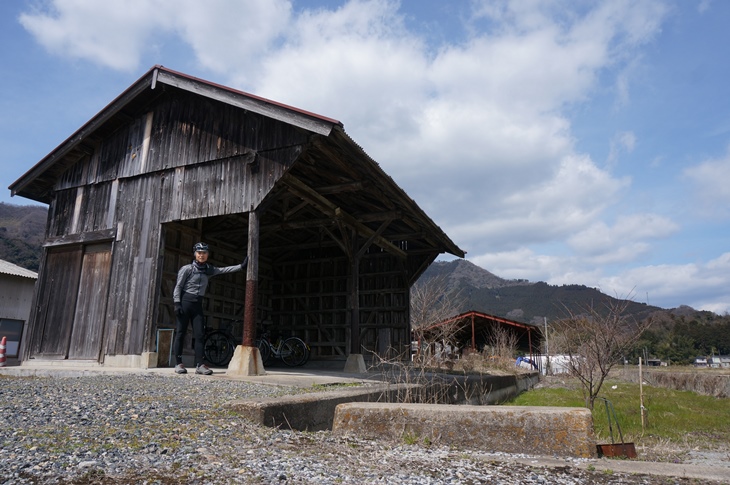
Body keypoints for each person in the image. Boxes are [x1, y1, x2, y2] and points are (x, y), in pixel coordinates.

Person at [173, 242, 247, 375]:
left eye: (204, 253)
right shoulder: (187, 269)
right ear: (195, 254)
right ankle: (178, 363)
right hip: (185, 302)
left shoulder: (208, 270)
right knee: (180, 333)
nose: (201, 255)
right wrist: (177, 303)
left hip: (197, 305)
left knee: (200, 335)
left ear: (207, 254)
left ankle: (200, 365)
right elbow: (178, 286)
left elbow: (224, 270)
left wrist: (241, 267)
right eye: (199, 252)